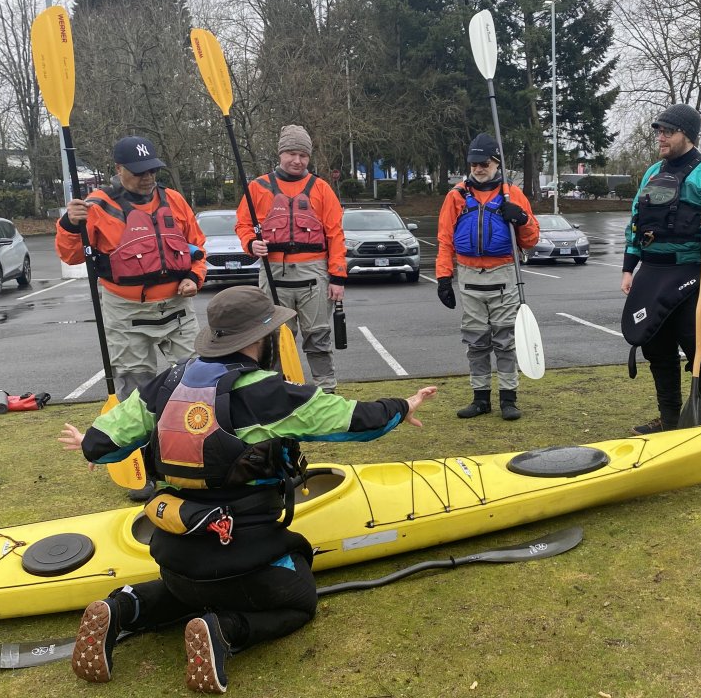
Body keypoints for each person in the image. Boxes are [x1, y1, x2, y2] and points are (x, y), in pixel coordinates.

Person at [59, 285, 437, 694]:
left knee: (186, 590)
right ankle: (226, 630)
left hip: (175, 556)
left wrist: (86, 442)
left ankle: (123, 607)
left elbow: (101, 446)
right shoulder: (269, 394)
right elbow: (356, 419)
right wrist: (404, 406)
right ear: (262, 338)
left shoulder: (163, 384)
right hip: (246, 559)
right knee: (299, 600)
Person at [56, 135, 208, 501]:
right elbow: (72, 256)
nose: (147, 178)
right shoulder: (95, 207)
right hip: (126, 310)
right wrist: (68, 223)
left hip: (176, 304)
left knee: (198, 377)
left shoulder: (174, 201)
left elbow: (197, 248)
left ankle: (200, 452)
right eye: (139, 172)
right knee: (136, 391)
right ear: (119, 170)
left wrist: (193, 277)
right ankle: (144, 467)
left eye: (152, 170)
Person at [619, 104, 701, 435]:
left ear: (685, 135)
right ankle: (671, 419)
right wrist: (629, 267)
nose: (660, 137)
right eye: (658, 131)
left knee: (697, 348)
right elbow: (635, 222)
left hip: (691, 272)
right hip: (652, 271)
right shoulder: (651, 173)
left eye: (667, 132)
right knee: (655, 347)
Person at [435, 133, 539, 420]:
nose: (479, 169)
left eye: (485, 163)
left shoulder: (512, 195)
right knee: (476, 341)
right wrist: (444, 278)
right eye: (474, 164)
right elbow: (445, 240)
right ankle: (480, 397)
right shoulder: (455, 196)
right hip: (469, 277)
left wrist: (521, 218)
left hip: (505, 274)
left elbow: (531, 240)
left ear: (496, 163)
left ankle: (509, 397)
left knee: (506, 340)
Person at [236, 124, 346, 392]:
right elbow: (243, 225)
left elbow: (335, 234)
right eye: (291, 154)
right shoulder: (258, 187)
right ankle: (277, 390)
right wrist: (251, 244)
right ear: (280, 154)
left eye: (303, 155)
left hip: (314, 274)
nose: (297, 161)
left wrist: (338, 277)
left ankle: (326, 390)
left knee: (318, 335)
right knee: (275, 338)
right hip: (274, 272)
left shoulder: (321, 188)